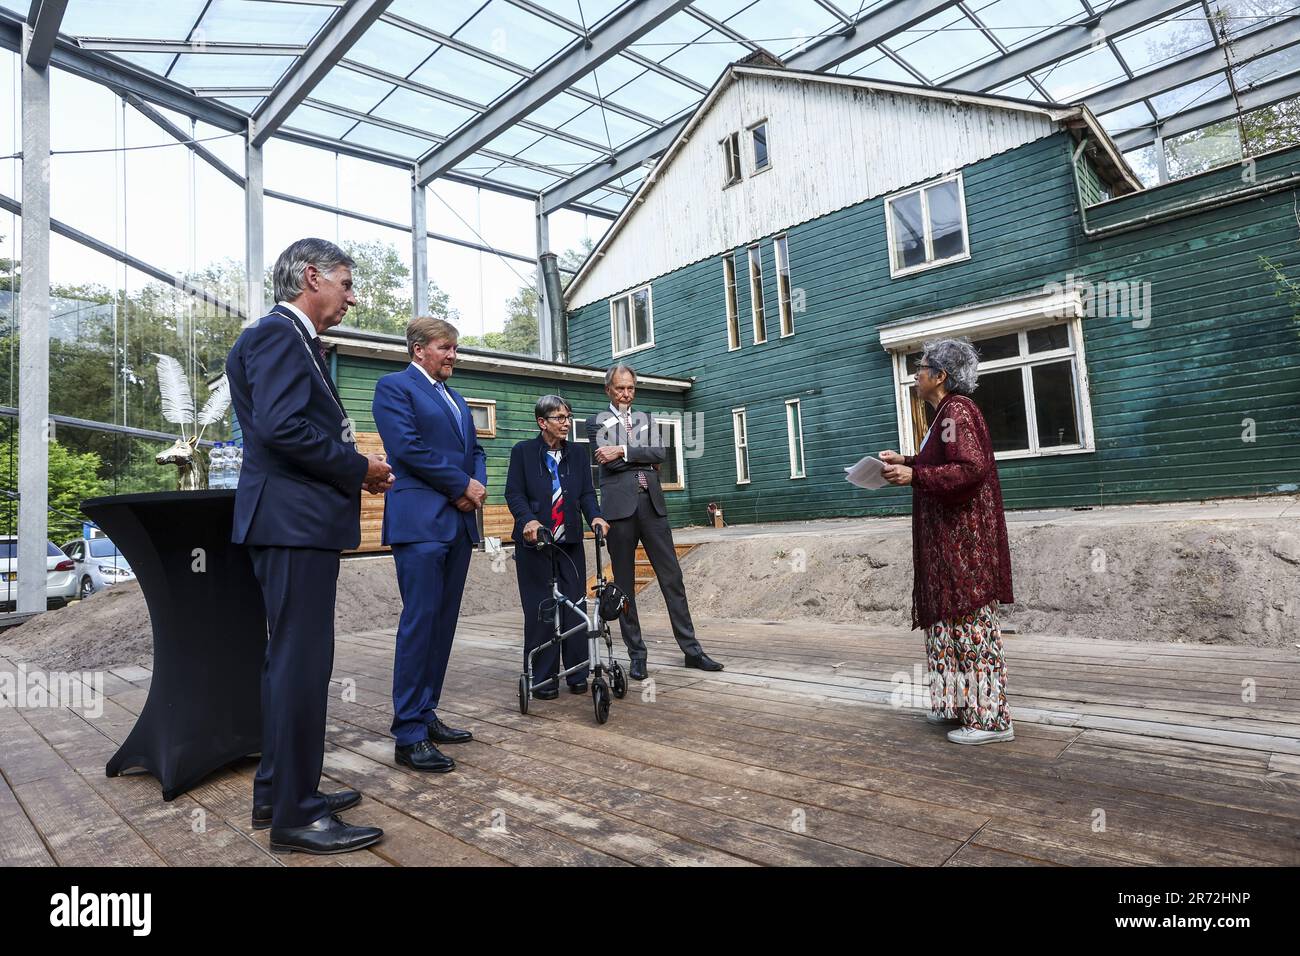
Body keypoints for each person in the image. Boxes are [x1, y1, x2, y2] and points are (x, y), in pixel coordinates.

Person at [227, 237, 391, 854]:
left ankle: (280, 789)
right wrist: (359, 468)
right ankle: (298, 813)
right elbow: (282, 427)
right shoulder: (276, 335)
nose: (352, 296)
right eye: (346, 284)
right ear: (312, 277)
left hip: (293, 521)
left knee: (290, 661)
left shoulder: (294, 340)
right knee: (301, 663)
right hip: (292, 521)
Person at [880, 337, 1015, 745]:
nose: (915, 375)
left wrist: (916, 476)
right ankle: (957, 704)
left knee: (970, 625)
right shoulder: (944, 415)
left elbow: (969, 467)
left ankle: (991, 720)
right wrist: (907, 461)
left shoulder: (956, 411)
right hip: (946, 545)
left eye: (921, 368)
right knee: (946, 625)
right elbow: (941, 460)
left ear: (940, 376)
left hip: (963, 543)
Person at [372, 317, 486, 773]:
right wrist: (460, 485)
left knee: (443, 624)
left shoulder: (455, 398)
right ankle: (408, 733)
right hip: (420, 523)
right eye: (445, 347)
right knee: (419, 624)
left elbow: (476, 449)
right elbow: (407, 448)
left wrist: (474, 485)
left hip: (458, 525)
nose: (453, 355)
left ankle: (427, 711)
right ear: (419, 350)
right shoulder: (394, 388)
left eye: (455, 348)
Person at [586, 365, 722, 681]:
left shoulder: (646, 419)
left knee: (672, 578)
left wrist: (621, 448)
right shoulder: (596, 422)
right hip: (619, 510)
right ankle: (637, 654)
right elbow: (607, 461)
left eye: (630, 388)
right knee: (624, 585)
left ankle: (692, 651)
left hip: (653, 507)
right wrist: (641, 457)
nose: (626, 394)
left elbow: (660, 452)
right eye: (620, 389)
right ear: (608, 390)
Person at [505, 395, 610, 699]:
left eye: (568, 417)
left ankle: (577, 672)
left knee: (575, 607)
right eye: (559, 418)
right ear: (542, 422)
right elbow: (514, 494)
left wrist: (596, 517)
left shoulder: (577, 454)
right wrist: (527, 521)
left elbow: (588, 494)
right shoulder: (523, 452)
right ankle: (543, 678)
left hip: (570, 543)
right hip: (535, 545)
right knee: (542, 609)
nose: (566, 423)